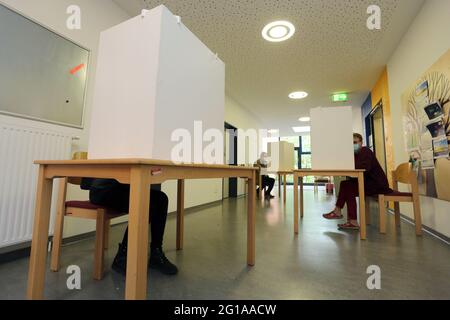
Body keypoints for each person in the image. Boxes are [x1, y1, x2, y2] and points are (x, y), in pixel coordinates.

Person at [81, 178, 178, 275]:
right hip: (103, 190)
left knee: (161, 199)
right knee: (146, 203)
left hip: (122, 188)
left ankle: (156, 253)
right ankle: (123, 257)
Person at [322, 133, 393, 230]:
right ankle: (344, 215)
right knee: (345, 184)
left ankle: (346, 217)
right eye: (350, 143)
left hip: (377, 184)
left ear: (361, 142)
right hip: (368, 183)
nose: (353, 145)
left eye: (355, 142)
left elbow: (365, 168)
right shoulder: (355, 155)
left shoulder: (365, 151)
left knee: (348, 187)